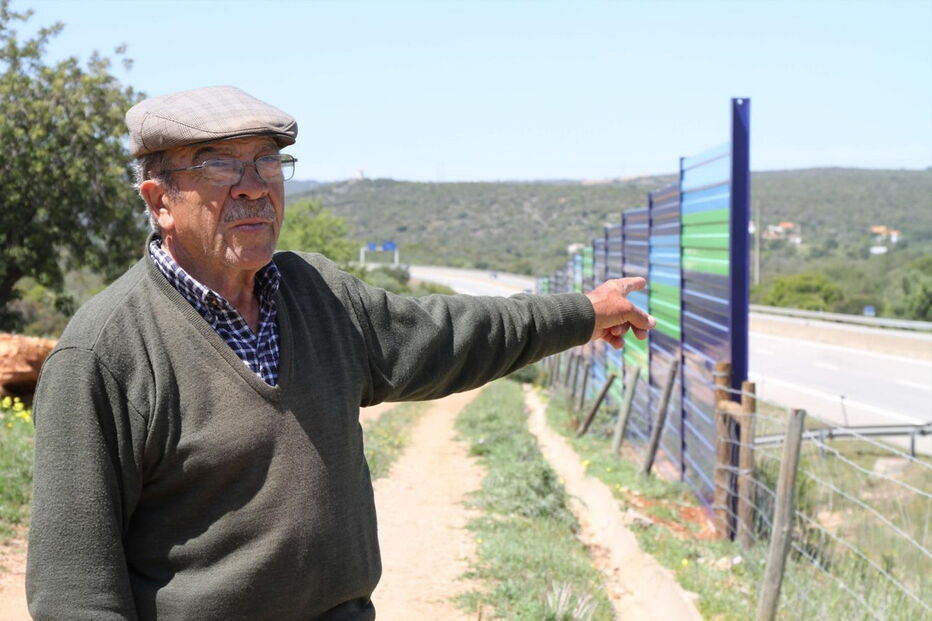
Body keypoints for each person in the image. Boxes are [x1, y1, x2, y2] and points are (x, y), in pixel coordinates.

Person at [26, 85, 655, 620]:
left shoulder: (318, 294)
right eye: (219, 165)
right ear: (160, 201)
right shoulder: (106, 352)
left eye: (268, 162)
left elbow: (452, 333)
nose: (253, 188)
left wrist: (582, 314)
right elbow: (73, 590)